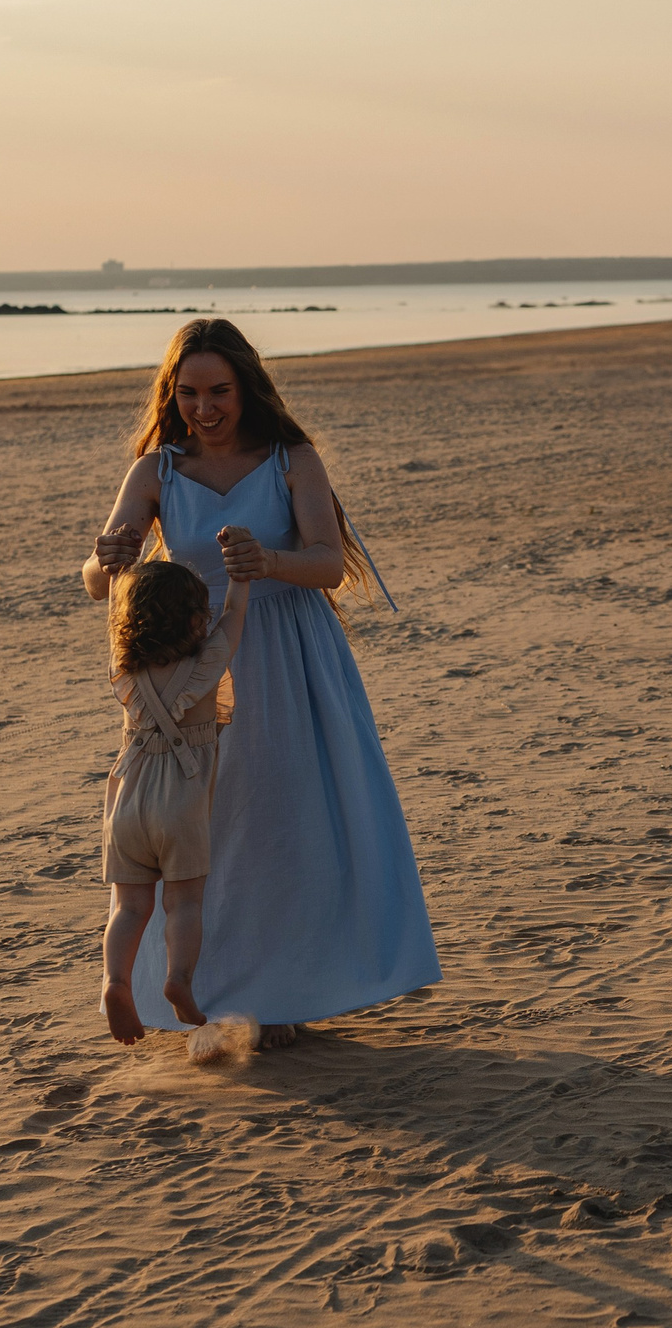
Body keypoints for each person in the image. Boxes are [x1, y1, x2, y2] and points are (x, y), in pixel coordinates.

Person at [81, 319, 439, 1039]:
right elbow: (96, 581)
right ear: (171, 393)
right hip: (193, 664)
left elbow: (327, 563)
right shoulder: (156, 470)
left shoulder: (291, 459)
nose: (204, 408)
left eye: (219, 391)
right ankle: (208, 993)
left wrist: (266, 563)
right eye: (189, 394)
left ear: (246, 387)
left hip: (290, 652)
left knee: (286, 821)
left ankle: (284, 998)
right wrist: (106, 555)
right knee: (211, 825)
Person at [99, 560, 250, 1045]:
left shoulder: (124, 668)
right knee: (183, 903)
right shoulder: (206, 664)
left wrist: (121, 573)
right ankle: (178, 978)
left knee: (128, 907)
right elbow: (235, 615)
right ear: (193, 620)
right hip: (180, 804)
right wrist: (242, 576)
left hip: (126, 801)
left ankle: (115, 982)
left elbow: (115, 622)